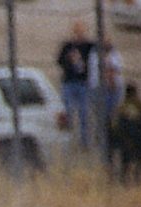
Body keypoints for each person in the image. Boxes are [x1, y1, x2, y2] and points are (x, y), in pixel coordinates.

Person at [57, 21, 98, 153]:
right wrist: (69, 59)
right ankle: (66, 142)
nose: (79, 33)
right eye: (77, 31)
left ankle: (84, 143)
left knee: (84, 113)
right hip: (68, 82)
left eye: (81, 31)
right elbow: (59, 61)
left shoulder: (89, 46)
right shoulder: (67, 46)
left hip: (83, 83)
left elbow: (97, 57)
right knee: (67, 112)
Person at [112, 80, 141, 184]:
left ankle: (124, 180)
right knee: (140, 160)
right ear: (135, 93)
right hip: (139, 138)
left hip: (126, 139)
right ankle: (137, 179)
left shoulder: (122, 107)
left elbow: (116, 125)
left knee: (125, 162)